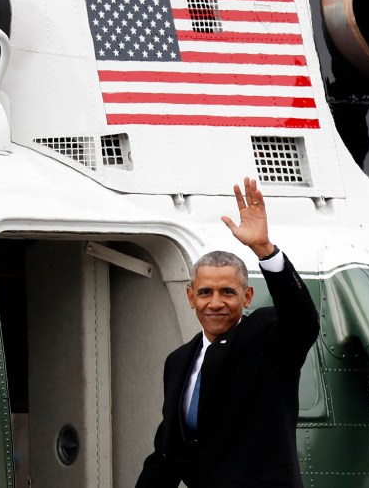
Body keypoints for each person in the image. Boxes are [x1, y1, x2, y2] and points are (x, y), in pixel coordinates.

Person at [136, 177, 320, 488]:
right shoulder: (178, 361)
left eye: (228, 292)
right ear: (191, 297)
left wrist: (265, 250)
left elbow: (302, 323)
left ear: (246, 297)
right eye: (206, 292)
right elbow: (169, 452)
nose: (216, 303)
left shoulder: (264, 338)